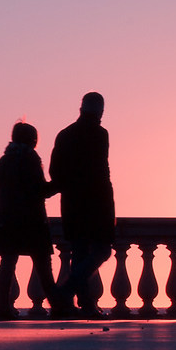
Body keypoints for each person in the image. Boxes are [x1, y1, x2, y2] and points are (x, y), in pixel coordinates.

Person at [45, 93, 114, 317]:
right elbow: (103, 173)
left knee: (80, 252)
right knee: (101, 250)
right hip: (97, 202)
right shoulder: (100, 134)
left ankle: (83, 303)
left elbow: (55, 172)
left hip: (73, 204)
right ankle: (67, 292)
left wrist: (69, 187)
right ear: (100, 112)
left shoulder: (65, 135)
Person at [0, 122, 53, 317]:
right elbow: (39, 191)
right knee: (43, 265)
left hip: (6, 220)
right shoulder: (31, 160)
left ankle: (2, 307)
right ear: (33, 140)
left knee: (7, 263)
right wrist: (58, 185)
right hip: (31, 221)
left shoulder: (3, 161)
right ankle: (58, 304)